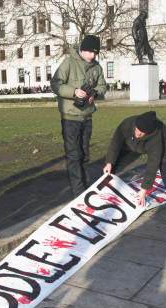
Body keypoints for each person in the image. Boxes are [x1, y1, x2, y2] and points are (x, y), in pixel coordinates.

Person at [51, 34, 107, 197]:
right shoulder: (69, 62)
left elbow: (103, 86)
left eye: (96, 53)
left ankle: (85, 187)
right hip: (70, 117)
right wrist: (74, 91)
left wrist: (94, 94)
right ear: (83, 50)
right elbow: (55, 84)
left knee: (85, 154)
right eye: (91, 52)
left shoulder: (97, 67)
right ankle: (78, 192)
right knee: (74, 155)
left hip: (87, 116)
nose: (93, 56)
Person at [103, 111, 166, 214]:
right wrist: (109, 162)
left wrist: (144, 189)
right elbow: (115, 143)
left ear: (148, 132)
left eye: (141, 132)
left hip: (161, 141)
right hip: (132, 142)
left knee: (165, 167)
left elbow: (152, 164)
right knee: (112, 162)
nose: (138, 133)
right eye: (137, 130)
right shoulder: (127, 124)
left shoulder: (156, 138)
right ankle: (108, 191)